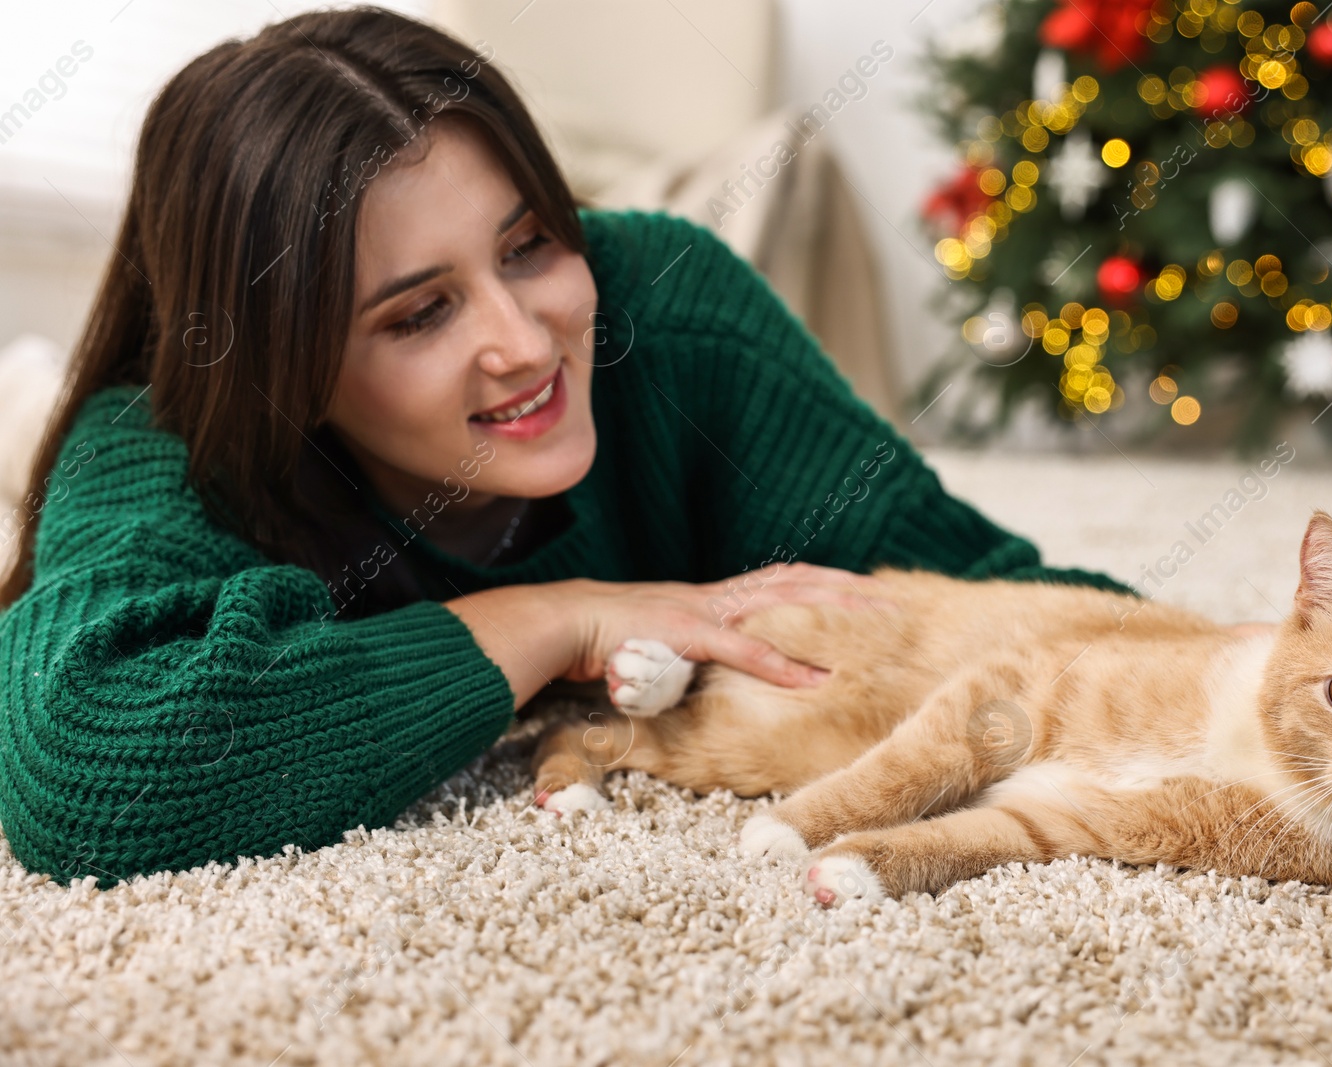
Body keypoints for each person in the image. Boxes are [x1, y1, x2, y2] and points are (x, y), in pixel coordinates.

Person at [0, 7, 1133, 888]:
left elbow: (1019, 602)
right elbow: (86, 775)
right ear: (281, 368)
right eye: (417, 313)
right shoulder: (168, 439)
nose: (522, 340)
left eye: (530, 243)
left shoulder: (677, 309)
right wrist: (557, 615)